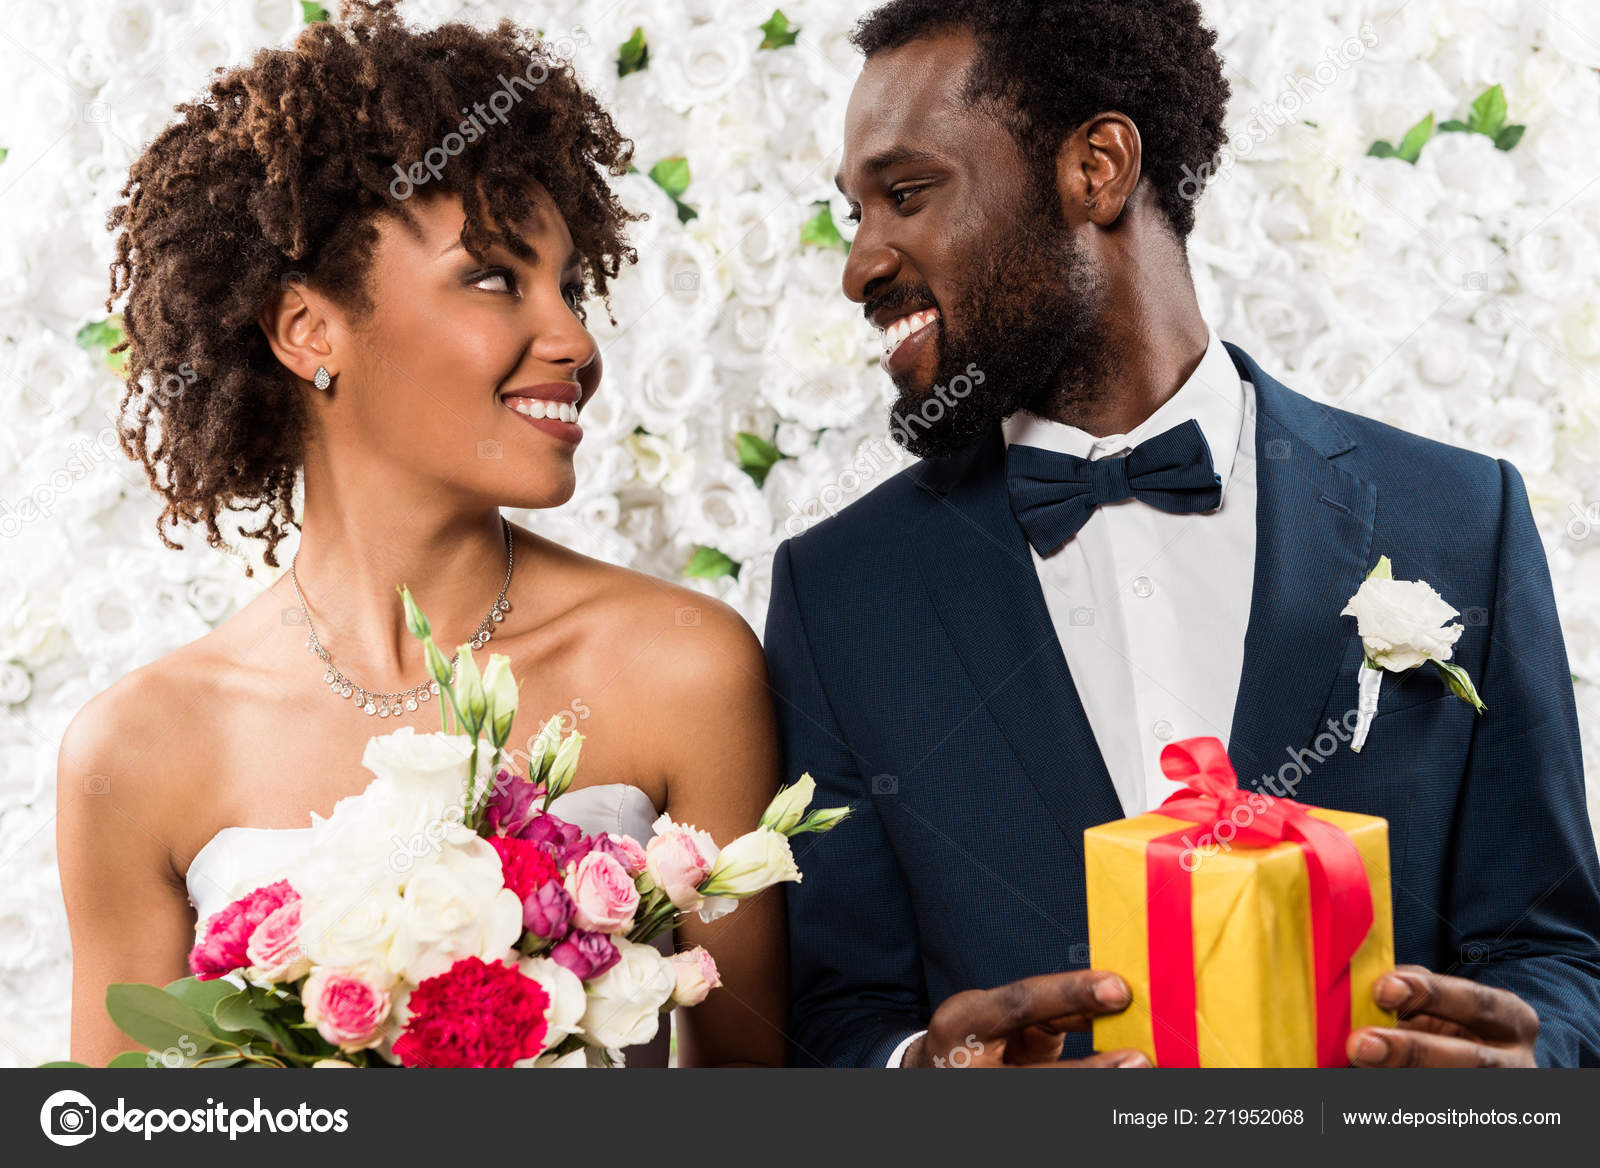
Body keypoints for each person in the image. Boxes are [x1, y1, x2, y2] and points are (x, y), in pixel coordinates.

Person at [767, 0, 1600, 1068]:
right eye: (855, 213)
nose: (860, 265)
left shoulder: (1460, 517)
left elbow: (1557, 951)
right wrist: (924, 1079)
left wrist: (1528, 1063)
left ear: (1098, 166)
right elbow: (834, 1017)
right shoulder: (838, 596)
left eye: (908, 194)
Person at [55, 0, 785, 1068]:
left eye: (569, 287)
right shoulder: (137, 752)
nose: (574, 338)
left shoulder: (684, 668)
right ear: (310, 330)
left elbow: (754, 1104)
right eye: (495, 278)